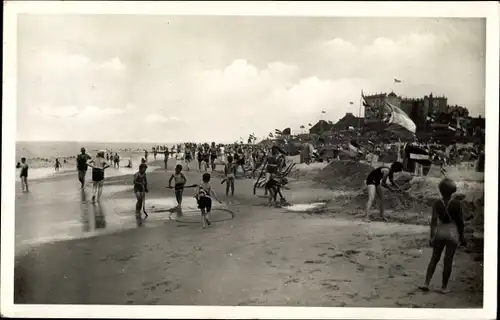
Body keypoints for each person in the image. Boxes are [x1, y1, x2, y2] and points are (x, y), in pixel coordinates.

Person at [419, 178, 466, 294]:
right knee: (448, 260)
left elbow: (434, 221)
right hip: (452, 231)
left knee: (434, 258)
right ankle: (444, 287)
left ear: (440, 190)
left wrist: (431, 236)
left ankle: (426, 283)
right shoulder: (456, 203)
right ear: (453, 190)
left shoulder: (437, 203)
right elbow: (460, 222)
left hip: (440, 231)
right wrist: (462, 237)